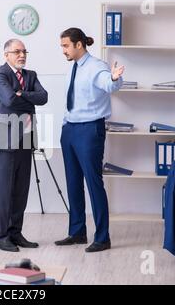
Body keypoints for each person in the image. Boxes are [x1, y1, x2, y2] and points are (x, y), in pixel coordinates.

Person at [55, 28, 124, 252]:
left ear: (78, 45)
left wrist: (115, 78)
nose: (63, 50)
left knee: (94, 183)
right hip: (70, 130)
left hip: (89, 130)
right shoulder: (73, 68)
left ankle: (102, 237)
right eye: (62, 46)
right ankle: (77, 233)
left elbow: (109, 83)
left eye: (66, 46)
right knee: (73, 182)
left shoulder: (96, 66)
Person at [0, 39, 48, 252]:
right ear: (6, 55)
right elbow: (10, 100)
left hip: (27, 137)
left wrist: (23, 95)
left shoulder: (31, 75)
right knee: (4, 189)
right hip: (6, 138)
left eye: (24, 51)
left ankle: (15, 233)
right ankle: (1, 236)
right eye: (16, 52)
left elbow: (44, 97)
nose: (22, 55)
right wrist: (25, 98)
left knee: (21, 189)